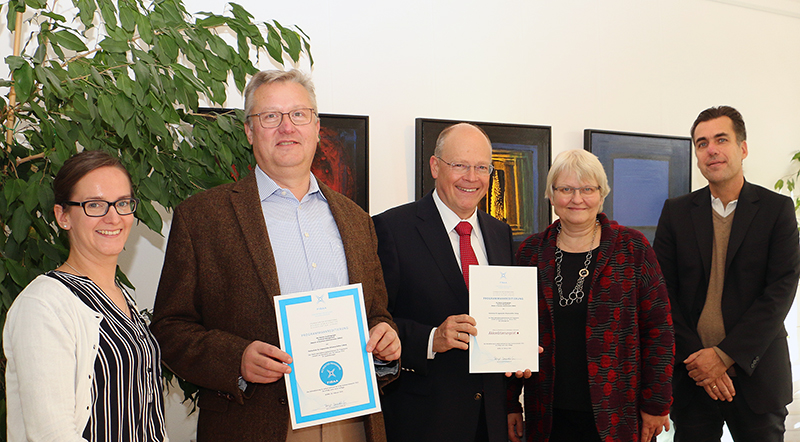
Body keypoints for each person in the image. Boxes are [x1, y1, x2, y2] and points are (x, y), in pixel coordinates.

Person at [150, 69, 401, 442]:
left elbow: (376, 313)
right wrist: (236, 358)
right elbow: (170, 329)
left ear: (316, 126)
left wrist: (387, 340)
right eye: (271, 116)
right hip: (255, 424)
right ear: (250, 131)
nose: (287, 127)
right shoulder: (202, 217)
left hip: (353, 423)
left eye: (299, 114)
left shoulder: (357, 219)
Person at [653, 106, 800, 441]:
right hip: (692, 377)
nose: (712, 150)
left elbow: (780, 292)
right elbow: (662, 293)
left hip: (758, 376)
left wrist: (723, 355)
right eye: (702, 143)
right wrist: (700, 364)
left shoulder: (776, 211)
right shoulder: (676, 213)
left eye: (721, 139)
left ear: (743, 148)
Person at [507, 149, 674, 442]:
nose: (577, 198)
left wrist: (657, 403)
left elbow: (659, 330)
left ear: (601, 194)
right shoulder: (530, 253)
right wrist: (509, 403)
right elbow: (511, 331)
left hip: (618, 412)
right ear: (551, 195)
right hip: (546, 411)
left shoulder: (633, 249)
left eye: (587, 189)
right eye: (566, 189)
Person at [4, 150, 168, 441]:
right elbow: (50, 434)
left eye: (122, 203)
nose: (113, 217)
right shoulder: (44, 305)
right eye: (95, 205)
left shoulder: (121, 298)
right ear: (63, 216)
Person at [372, 123, 515, 442]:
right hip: (423, 422)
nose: (472, 177)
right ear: (435, 166)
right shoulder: (392, 229)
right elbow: (374, 321)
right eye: (460, 165)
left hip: (489, 424)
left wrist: (517, 348)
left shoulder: (499, 234)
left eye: (481, 167)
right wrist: (431, 338)